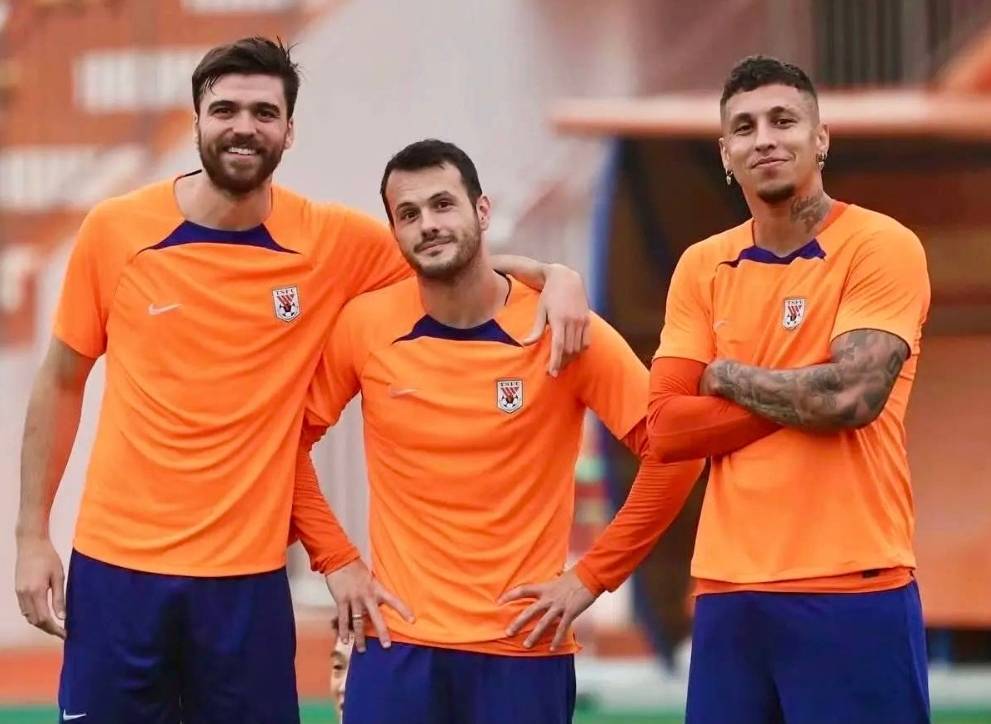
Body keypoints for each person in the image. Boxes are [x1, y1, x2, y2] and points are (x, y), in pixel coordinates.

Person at [13, 38, 590, 724]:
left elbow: (449, 261)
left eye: (264, 112)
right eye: (225, 109)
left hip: (247, 582)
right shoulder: (116, 230)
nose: (243, 127)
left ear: (288, 131)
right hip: (117, 570)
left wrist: (553, 275)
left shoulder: (330, 242)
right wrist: (30, 536)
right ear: (197, 120)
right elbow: (61, 381)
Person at [290, 139, 704, 724]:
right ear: (395, 232)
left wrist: (592, 577)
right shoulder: (365, 325)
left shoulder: (562, 326)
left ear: (481, 210)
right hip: (396, 643)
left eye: (443, 204)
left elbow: (677, 451)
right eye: (408, 214)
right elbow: (286, 442)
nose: (428, 224)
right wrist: (336, 560)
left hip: (523, 648)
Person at [647, 55, 932, 723]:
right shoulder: (701, 265)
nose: (764, 140)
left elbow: (851, 398)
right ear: (725, 153)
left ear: (820, 138)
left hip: (852, 584)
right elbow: (667, 428)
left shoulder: (879, 245)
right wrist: (807, 385)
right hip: (729, 592)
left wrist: (724, 375)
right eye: (744, 127)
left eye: (783, 121)